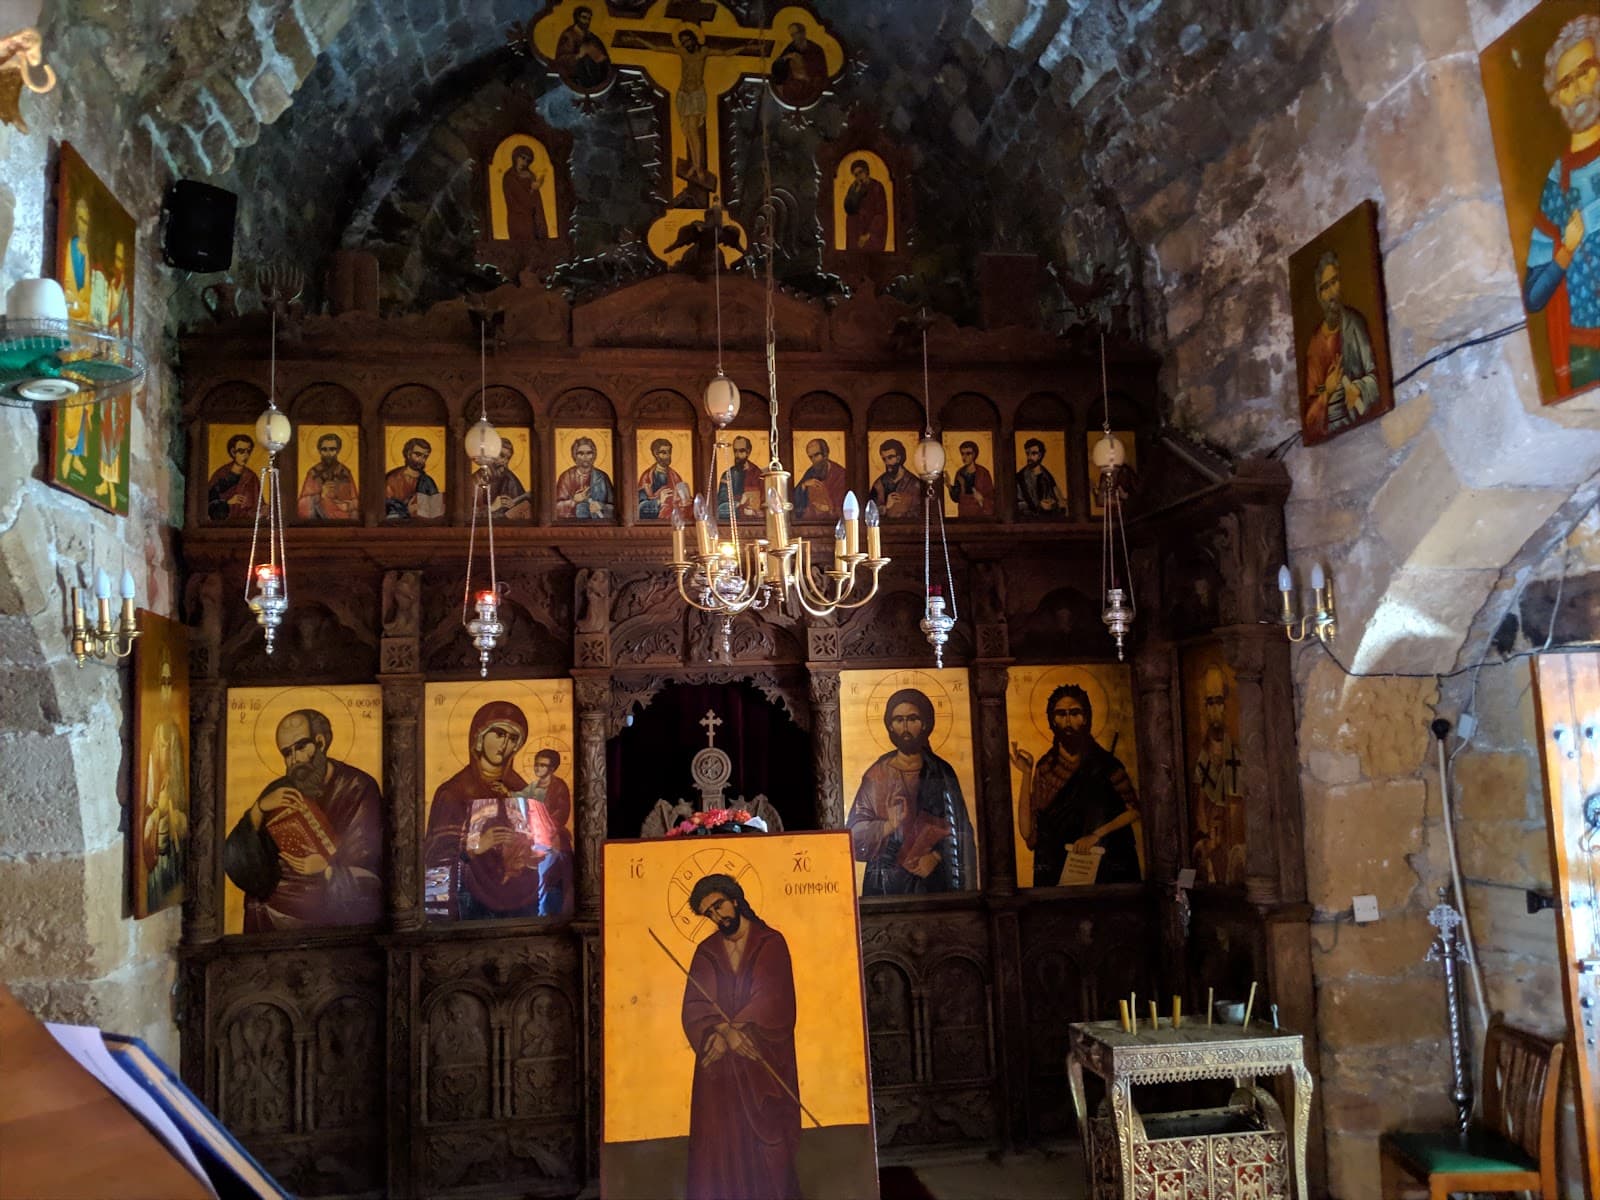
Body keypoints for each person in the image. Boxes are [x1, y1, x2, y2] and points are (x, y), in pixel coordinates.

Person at [680, 873, 800, 1200]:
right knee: (719, 1140)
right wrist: (717, 1032)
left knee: (770, 1140)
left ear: (735, 898)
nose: (718, 917)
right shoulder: (707, 950)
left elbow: (774, 998)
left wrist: (734, 1032)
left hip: (762, 1059)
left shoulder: (770, 942)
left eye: (719, 906)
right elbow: (694, 1004)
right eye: (710, 914)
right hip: (720, 1073)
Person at [222, 708, 383, 931]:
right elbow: (234, 859)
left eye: (300, 747)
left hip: (328, 905)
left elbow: (369, 865)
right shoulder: (280, 789)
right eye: (287, 753)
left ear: (320, 742)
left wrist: (326, 868)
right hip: (276, 901)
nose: (294, 759)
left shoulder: (358, 788)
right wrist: (258, 809)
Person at [1524, 14, 1600, 395]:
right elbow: (1534, 296)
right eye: (1565, 83)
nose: (1578, 89)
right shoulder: (1557, 185)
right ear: (1557, 98)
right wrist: (1566, 249)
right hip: (1589, 353)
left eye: (1585, 70)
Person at [423, 702, 549, 921]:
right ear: (479, 738)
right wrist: (475, 846)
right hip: (471, 901)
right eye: (499, 734)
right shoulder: (454, 792)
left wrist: (524, 849)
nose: (505, 744)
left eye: (512, 739)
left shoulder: (520, 790)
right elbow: (436, 856)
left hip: (522, 900)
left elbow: (542, 841)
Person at [846, 688, 976, 895]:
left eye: (912, 719)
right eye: (898, 720)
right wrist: (889, 825)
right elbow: (853, 835)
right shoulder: (877, 774)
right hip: (885, 883)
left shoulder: (941, 772)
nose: (905, 727)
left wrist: (936, 857)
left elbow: (961, 828)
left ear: (925, 724)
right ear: (890, 726)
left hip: (932, 882)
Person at [1010, 683, 1141, 887]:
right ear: (1052, 721)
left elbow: (1133, 811)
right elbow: (1028, 833)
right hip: (1056, 871)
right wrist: (1026, 774)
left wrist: (1096, 835)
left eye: (1075, 713)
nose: (1068, 721)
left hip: (1103, 868)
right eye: (1061, 714)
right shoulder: (1045, 768)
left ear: (1086, 718)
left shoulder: (1107, 764)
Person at [1301, 249, 1380, 439]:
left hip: (1357, 419)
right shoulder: (1315, 343)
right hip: (1331, 426)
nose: (1331, 294)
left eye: (1334, 282)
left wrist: (1359, 388)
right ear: (1320, 295)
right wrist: (1327, 390)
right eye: (1324, 287)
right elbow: (1311, 405)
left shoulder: (1354, 324)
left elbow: (1375, 376)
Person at [140, 651, 186, 913]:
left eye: (171, 683)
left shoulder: (175, 730)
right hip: (158, 828)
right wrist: (159, 809)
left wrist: (174, 811)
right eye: (163, 682)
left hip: (174, 830)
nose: (167, 689)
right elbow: (150, 797)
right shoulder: (157, 730)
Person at [1191, 666, 1244, 886]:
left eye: (1219, 701)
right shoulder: (1202, 753)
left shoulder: (1237, 750)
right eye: (1209, 702)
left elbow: (1237, 800)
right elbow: (1201, 800)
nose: (1215, 709)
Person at [528, 749, 573, 916]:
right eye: (536, 764)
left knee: (552, 878)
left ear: (552, 768)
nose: (538, 768)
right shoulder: (533, 788)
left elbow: (561, 813)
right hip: (535, 838)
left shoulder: (559, 787)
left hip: (554, 840)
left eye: (543, 765)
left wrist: (545, 826)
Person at [297, 432, 359, 520]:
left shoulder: (344, 473)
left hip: (344, 521)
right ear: (319, 450)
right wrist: (320, 495)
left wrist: (347, 506)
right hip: (320, 522)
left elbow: (356, 501)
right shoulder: (314, 473)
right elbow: (301, 505)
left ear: (338, 450)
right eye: (324, 449)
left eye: (332, 449)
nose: (328, 453)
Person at [554, 435, 616, 520]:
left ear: (593, 455)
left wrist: (601, 506)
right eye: (581, 453)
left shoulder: (602, 477)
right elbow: (555, 508)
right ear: (574, 455)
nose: (585, 457)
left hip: (599, 524)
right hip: (572, 525)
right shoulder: (566, 477)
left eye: (589, 453)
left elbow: (615, 507)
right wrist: (574, 501)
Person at [768, 20, 827, 108]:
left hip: (810, 88)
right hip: (792, 88)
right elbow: (778, 69)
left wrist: (807, 75)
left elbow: (821, 73)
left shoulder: (816, 50)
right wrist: (785, 59)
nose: (796, 36)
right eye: (792, 35)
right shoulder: (790, 48)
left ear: (803, 32)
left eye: (797, 33)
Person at [554, 5, 611, 92]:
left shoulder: (592, 37)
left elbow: (605, 60)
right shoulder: (568, 36)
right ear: (577, 18)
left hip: (596, 78)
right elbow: (561, 60)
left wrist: (600, 58)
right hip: (577, 78)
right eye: (584, 17)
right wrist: (578, 55)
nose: (587, 21)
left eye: (589, 18)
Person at [385, 436, 443, 519]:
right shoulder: (392, 478)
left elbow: (436, 511)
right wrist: (406, 510)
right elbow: (385, 506)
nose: (421, 460)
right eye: (418, 455)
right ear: (408, 454)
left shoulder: (428, 481)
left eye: (425, 457)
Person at [207, 433, 260, 522]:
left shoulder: (252, 477)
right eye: (241, 451)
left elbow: (258, 503)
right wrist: (228, 502)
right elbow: (208, 504)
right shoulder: (221, 475)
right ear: (233, 452)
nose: (246, 456)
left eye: (248, 451)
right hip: (222, 526)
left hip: (246, 525)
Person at [792, 437, 848, 519]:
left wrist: (828, 507)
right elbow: (795, 501)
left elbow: (843, 505)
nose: (814, 460)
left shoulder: (840, 474)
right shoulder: (811, 472)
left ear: (825, 454)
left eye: (817, 455)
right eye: (811, 457)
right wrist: (804, 485)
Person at [501, 145, 548, 242]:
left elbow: (537, 202)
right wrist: (532, 188)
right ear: (515, 157)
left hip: (531, 220)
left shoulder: (530, 175)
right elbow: (522, 199)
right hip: (517, 219)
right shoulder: (509, 177)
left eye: (528, 160)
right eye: (522, 158)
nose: (525, 162)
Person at [637, 436, 690, 521]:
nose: (668, 455)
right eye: (664, 453)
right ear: (656, 454)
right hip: (655, 523)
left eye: (669, 452)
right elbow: (639, 508)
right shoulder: (647, 478)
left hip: (674, 519)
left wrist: (684, 501)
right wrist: (659, 501)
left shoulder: (675, 476)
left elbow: (682, 499)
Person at [843, 159, 888, 252]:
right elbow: (849, 209)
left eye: (860, 172)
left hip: (872, 232)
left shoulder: (877, 187)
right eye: (855, 175)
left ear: (866, 171)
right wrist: (855, 193)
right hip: (856, 231)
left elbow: (881, 213)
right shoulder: (854, 188)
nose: (859, 176)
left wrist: (868, 234)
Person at [715, 435, 763, 521]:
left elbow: (763, 500)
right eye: (735, 451)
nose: (737, 455)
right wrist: (740, 502)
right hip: (734, 512)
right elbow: (721, 501)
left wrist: (755, 510)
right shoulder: (727, 474)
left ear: (748, 452)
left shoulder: (758, 474)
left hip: (753, 516)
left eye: (741, 451)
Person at [868, 437, 918, 519]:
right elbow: (870, 511)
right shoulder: (878, 484)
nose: (887, 462)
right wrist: (886, 507)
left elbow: (919, 511)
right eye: (884, 459)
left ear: (899, 458)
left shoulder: (914, 483)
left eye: (890, 457)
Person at [946, 439, 994, 518]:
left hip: (979, 515)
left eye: (968, 454)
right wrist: (949, 486)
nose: (964, 457)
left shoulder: (983, 473)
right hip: (963, 513)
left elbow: (991, 497)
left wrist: (981, 499)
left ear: (974, 455)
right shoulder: (960, 473)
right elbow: (956, 498)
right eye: (962, 454)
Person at [484, 439, 532, 519]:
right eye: (501, 456)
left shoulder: (509, 478)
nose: (504, 461)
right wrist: (491, 508)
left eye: (508, 458)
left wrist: (513, 506)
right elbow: (470, 512)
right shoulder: (477, 479)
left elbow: (522, 508)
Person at [1015, 437, 1062, 516]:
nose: (1029, 457)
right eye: (1027, 453)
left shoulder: (1047, 477)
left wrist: (1053, 504)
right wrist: (1038, 505)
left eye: (1033, 453)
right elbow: (1017, 503)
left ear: (1040, 455)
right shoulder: (1020, 477)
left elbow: (1057, 499)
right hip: (1027, 521)